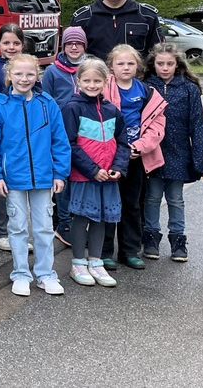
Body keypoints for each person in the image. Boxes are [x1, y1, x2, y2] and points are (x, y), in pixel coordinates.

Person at [0, 53, 71, 297]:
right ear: (9, 75)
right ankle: (20, 273)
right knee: (17, 227)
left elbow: (59, 140)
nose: (24, 78)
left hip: (43, 178)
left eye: (30, 73)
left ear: (37, 75)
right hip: (13, 180)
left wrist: (59, 173)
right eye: (18, 73)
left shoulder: (47, 104)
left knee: (43, 228)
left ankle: (45, 273)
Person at [61, 58, 130, 288]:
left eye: (97, 80)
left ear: (106, 81)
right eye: (87, 80)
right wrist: (92, 170)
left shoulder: (112, 110)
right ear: (78, 81)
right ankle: (78, 262)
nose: (92, 85)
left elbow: (122, 142)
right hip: (84, 175)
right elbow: (69, 144)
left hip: (108, 176)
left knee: (102, 218)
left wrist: (117, 168)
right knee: (81, 217)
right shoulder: (72, 107)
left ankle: (96, 261)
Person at [101, 44, 166, 271]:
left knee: (132, 204)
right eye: (120, 63)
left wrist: (139, 147)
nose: (126, 67)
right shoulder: (102, 88)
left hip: (136, 156)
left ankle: (129, 250)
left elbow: (157, 126)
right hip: (109, 156)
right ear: (111, 66)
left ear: (137, 66)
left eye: (130, 63)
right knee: (108, 203)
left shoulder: (146, 92)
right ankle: (105, 251)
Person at [142, 43, 203, 262]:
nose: (165, 68)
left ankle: (178, 239)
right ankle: (151, 237)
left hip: (179, 152)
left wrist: (199, 158)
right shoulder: (145, 86)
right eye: (160, 63)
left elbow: (197, 124)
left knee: (175, 198)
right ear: (153, 64)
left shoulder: (188, 88)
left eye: (170, 64)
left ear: (177, 64)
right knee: (152, 197)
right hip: (153, 152)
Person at [0, 23, 30, 252]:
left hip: (24, 133)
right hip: (2, 133)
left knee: (20, 182)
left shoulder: (27, 67)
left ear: (23, 45)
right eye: (6, 42)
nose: (11, 47)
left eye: (16, 43)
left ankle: (17, 231)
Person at [43, 26, 88, 245]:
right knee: (63, 176)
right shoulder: (53, 70)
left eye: (78, 43)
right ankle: (63, 222)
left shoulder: (90, 66)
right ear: (63, 46)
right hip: (61, 130)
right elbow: (47, 100)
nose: (73, 47)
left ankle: (80, 220)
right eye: (70, 43)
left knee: (82, 177)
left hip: (86, 130)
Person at [69, 0, 162, 60]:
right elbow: (71, 57)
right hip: (96, 75)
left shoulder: (147, 16)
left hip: (136, 75)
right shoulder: (82, 18)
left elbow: (157, 56)